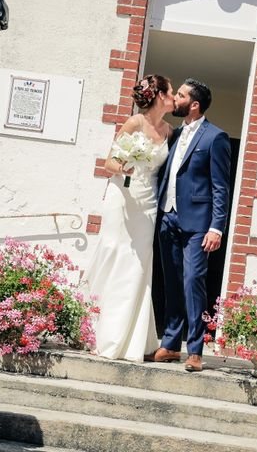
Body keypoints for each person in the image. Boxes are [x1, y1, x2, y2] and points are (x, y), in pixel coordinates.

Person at [84, 74, 173, 361]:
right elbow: (109, 161)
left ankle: (129, 337)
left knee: (138, 263)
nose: (173, 97)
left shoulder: (170, 131)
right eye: (170, 92)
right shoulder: (135, 123)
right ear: (159, 95)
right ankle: (98, 332)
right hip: (123, 198)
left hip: (147, 204)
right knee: (114, 254)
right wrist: (125, 168)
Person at [148, 78, 231, 373]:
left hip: (198, 224)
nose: (176, 99)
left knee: (193, 280)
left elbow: (221, 187)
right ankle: (170, 344)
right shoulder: (174, 133)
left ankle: (195, 350)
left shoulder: (215, 137)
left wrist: (216, 227)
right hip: (167, 216)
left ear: (194, 104)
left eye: (180, 95)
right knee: (171, 282)